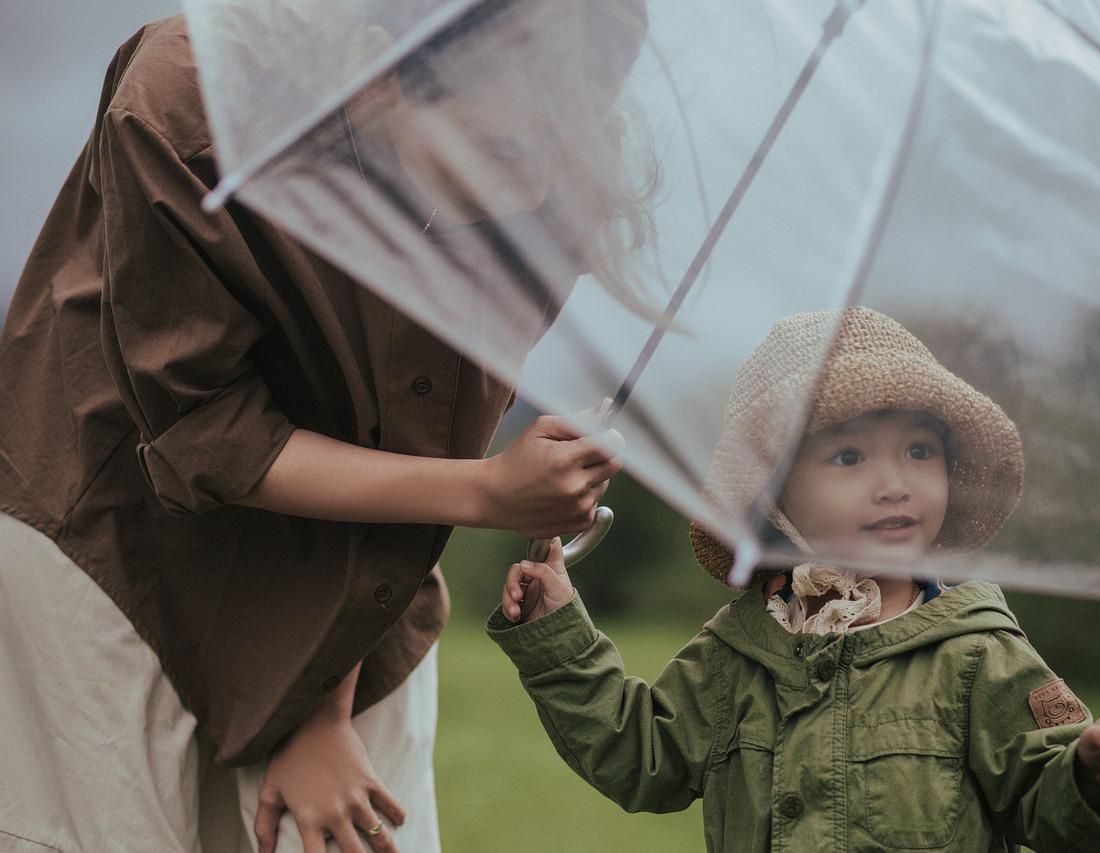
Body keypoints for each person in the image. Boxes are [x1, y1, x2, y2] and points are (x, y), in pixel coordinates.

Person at [0, 1, 648, 851]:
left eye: (565, 147)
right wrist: (492, 491)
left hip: (364, 547)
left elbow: (423, 439)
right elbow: (202, 428)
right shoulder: (189, 100)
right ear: (378, 79)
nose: (527, 192)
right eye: (500, 152)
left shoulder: (552, 183)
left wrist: (323, 702)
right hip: (116, 524)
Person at [487, 307, 1100, 852]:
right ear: (775, 496)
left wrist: (1097, 779)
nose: (895, 483)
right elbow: (641, 755)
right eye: (849, 455)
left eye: (920, 451)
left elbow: (1050, 809)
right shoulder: (740, 648)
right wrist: (559, 635)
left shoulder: (977, 651)